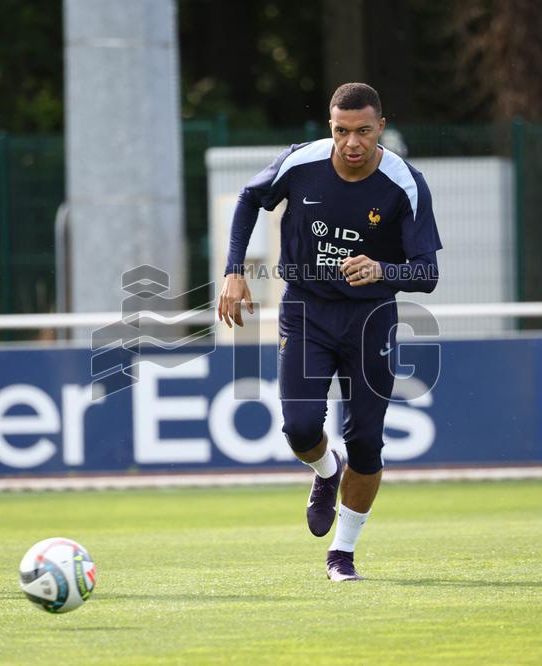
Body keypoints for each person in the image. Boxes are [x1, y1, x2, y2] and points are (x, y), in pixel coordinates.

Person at [217, 83, 442, 580]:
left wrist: (383, 269)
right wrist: (234, 271)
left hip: (371, 320)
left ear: (380, 127)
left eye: (363, 131)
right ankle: (325, 470)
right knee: (299, 428)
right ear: (330, 128)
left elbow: (427, 273)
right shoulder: (301, 162)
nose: (352, 143)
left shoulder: (405, 183)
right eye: (341, 131)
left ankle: (342, 554)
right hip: (305, 311)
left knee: (366, 443)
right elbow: (248, 198)